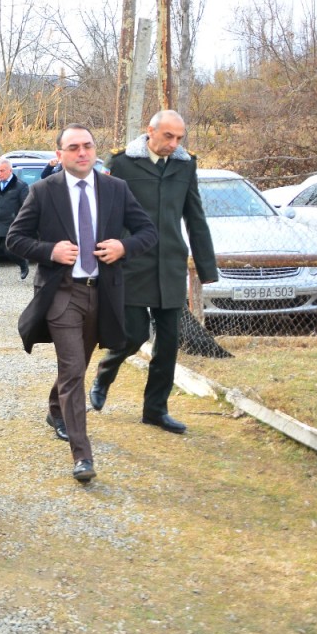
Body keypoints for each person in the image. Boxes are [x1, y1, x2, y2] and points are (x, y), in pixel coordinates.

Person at [5, 124, 157, 484]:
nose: (82, 152)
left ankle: (55, 408)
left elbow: (147, 232)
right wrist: (49, 251)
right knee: (73, 370)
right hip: (62, 294)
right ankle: (82, 456)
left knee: (78, 364)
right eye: (73, 147)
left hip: (102, 293)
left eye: (87, 146)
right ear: (59, 155)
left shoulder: (116, 189)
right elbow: (14, 239)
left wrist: (123, 247)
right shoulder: (43, 191)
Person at [89, 110, 218, 433]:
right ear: (151, 131)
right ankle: (105, 373)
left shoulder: (185, 165)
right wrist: (104, 255)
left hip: (171, 264)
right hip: (131, 263)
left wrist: (206, 267)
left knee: (168, 344)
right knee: (133, 335)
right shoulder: (120, 163)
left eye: (179, 139)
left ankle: (155, 410)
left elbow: (195, 216)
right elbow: (103, 213)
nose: (174, 144)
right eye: (168, 137)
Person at [0, 159, 30, 284]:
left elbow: (26, 206)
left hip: (11, 224)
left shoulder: (20, 186)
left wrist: (21, 223)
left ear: (10, 170)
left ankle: (23, 262)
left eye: (2, 171)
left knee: (8, 250)